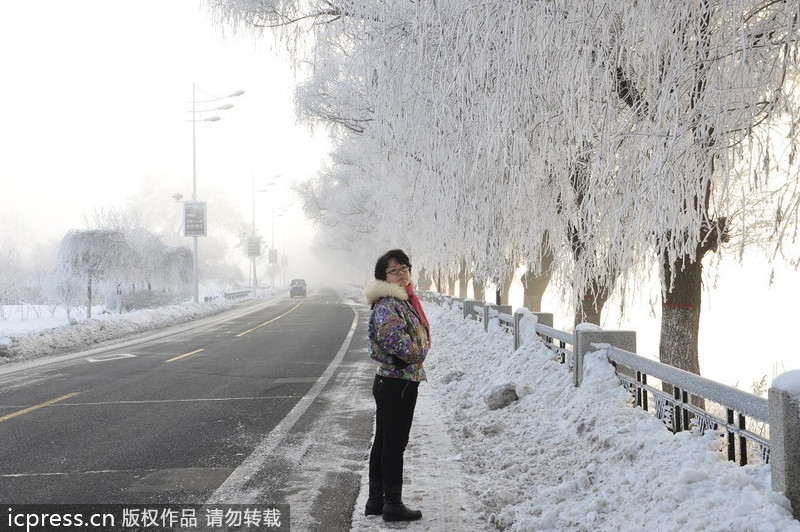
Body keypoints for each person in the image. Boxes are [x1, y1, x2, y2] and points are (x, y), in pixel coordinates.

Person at [363, 249, 431, 522]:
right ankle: (392, 504)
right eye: (395, 270)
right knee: (393, 444)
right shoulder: (388, 303)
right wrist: (418, 352)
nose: (402, 273)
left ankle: (376, 501)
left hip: (393, 381)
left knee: (383, 442)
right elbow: (395, 339)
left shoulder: (400, 300)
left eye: (405, 268)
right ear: (383, 276)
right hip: (397, 382)